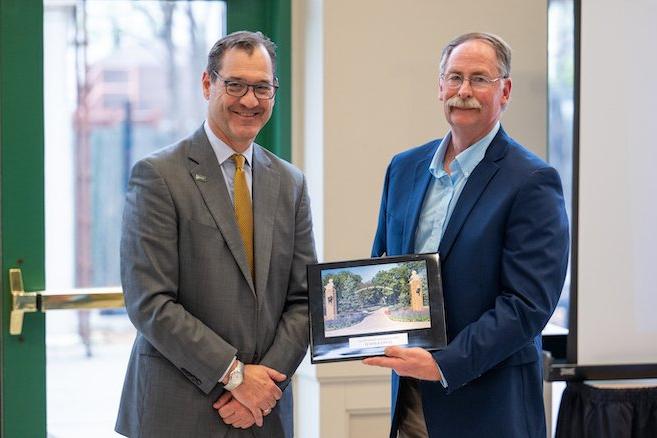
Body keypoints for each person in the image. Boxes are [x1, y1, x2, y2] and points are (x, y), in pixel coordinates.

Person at [363, 32, 569, 437]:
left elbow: (527, 305)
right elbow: (383, 266)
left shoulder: (532, 181)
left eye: (479, 79)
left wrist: (444, 364)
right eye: (454, 77)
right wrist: (353, 332)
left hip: (489, 410)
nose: (464, 91)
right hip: (410, 402)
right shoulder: (403, 168)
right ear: (440, 86)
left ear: (504, 90)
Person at [115, 31, 316, 438]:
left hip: (264, 413)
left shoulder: (290, 183)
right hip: (178, 412)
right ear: (208, 84)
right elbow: (149, 302)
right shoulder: (158, 176)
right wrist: (237, 377)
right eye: (235, 84)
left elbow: (304, 299)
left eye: (262, 87)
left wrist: (264, 388)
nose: (249, 100)